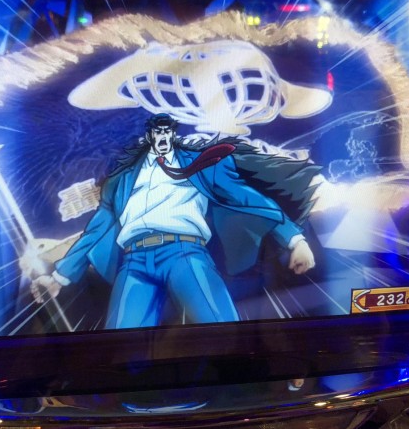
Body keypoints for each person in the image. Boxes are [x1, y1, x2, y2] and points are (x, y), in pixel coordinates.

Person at [31, 113, 316, 329]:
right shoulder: (121, 180)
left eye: (167, 132)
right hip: (135, 261)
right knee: (119, 346)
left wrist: (295, 240)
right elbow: (95, 231)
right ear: (148, 136)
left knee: (222, 331)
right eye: (156, 132)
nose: (162, 138)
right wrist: (59, 277)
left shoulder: (198, 165)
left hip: (184, 253)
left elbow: (247, 198)